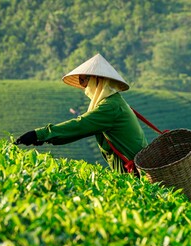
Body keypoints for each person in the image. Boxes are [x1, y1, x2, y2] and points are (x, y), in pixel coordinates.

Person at [15, 53, 148, 174]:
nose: (83, 86)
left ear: (97, 79)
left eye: (84, 80)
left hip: (134, 174)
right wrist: (44, 138)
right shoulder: (113, 102)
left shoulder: (110, 107)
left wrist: (40, 134)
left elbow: (80, 125)